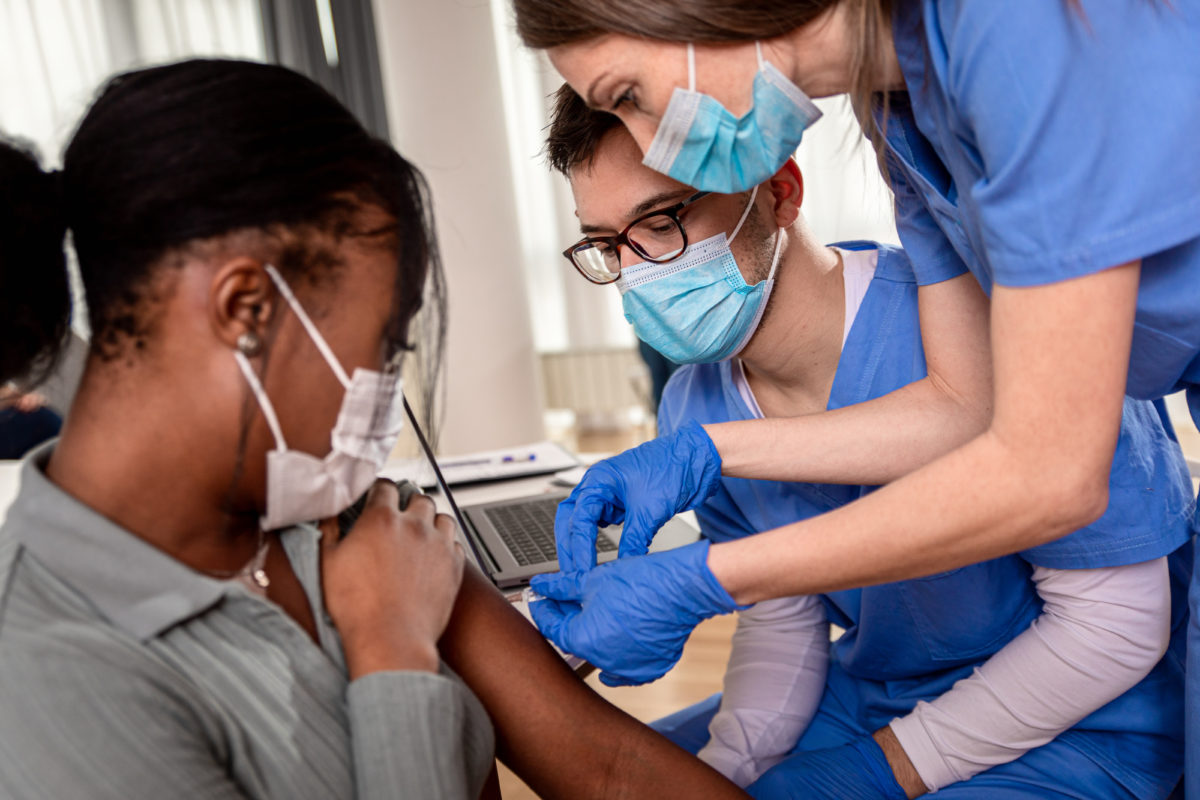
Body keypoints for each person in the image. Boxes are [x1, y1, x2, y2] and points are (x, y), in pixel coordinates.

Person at [0, 59, 749, 800]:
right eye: (384, 342)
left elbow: (607, 768)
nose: (385, 387)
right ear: (246, 309)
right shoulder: (41, 666)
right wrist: (392, 651)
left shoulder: (347, 517)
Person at [510, 1, 1200, 795]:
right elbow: (964, 405)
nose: (649, 138)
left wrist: (709, 578)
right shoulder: (901, 114)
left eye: (628, 95)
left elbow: (1049, 473)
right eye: (606, 245)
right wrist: (709, 450)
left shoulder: (1010, 41)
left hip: (1091, 714)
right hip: (887, 692)